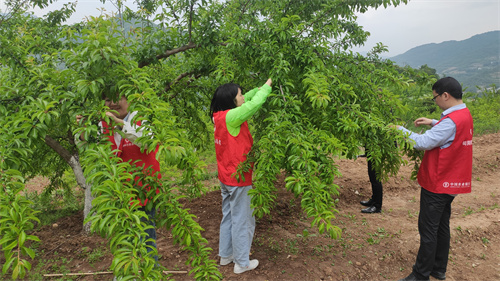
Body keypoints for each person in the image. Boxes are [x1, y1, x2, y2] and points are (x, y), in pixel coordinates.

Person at [395, 77, 473, 281]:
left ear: (445, 95)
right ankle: (438, 268)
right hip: (452, 183)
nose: (435, 101)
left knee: (428, 230)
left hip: (438, 183)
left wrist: (398, 130)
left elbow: (422, 142)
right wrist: (433, 122)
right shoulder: (463, 114)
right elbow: (450, 130)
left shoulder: (452, 121)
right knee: (441, 226)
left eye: (435, 97)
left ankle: (420, 275)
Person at [76, 94, 161, 264]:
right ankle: (124, 273)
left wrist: (119, 124)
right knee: (122, 243)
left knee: (146, 240)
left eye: (118, 98)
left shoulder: (142, 118)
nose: (113, 103)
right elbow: (84, 145)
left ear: (130, 99)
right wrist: (82, 130)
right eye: (108, 99)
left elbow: (147, 141)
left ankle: (149, 272)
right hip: (116, 195)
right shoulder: (101, 124)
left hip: (143, 193)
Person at [209, 78, 272, 274]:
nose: (243, 97)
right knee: (242, 219)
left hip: (225, 176)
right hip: (238, 178)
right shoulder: (233, 117)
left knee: (228, 216)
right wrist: (267, 88)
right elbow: (254, 105)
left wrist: (258, 88)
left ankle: (226, 255)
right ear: (231, 101)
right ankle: (242, 263)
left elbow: (249, 98)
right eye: (239, 95)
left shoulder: (218, 116)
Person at [359, 148, 383, 213]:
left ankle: (377, 206)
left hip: (377, 150)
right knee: (372, 175)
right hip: (373, 150)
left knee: (375, 177)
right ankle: (374, 200)